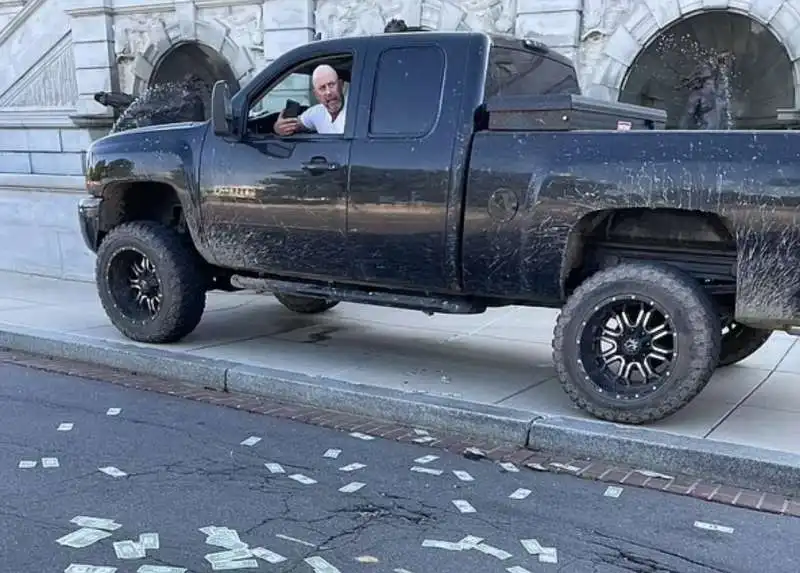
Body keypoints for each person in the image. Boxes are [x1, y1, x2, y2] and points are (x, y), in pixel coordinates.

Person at [274, 64, 346, 136]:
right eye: (322, 88)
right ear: (316, 95)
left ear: (341, 85)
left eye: (331, 85)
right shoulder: (317, 112)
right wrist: (278, 127)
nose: (328, 92)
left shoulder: (354, 110)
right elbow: (292, 125)